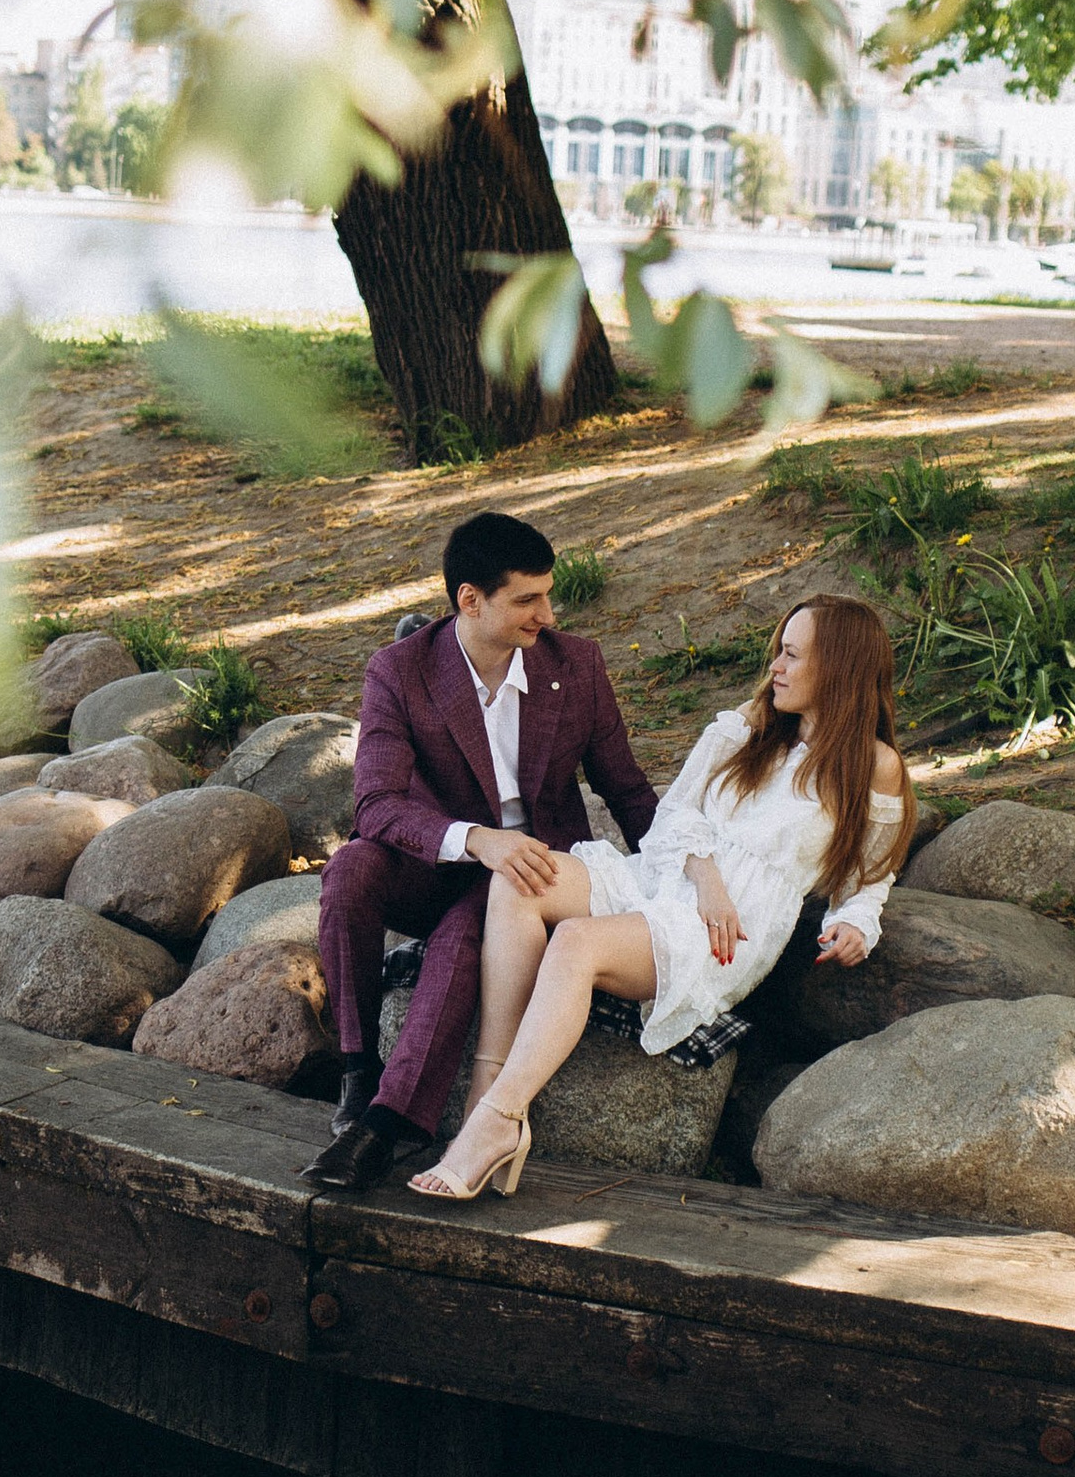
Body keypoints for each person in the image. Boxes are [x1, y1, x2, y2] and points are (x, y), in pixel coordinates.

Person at [409, 593, 915, 1202]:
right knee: (521, 877)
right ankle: (485, 1097)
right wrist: (705, 878)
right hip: (671, 878)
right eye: (778, 651)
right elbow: (673, 813)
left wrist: (855, 922)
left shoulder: (875, 766)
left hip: (730, 932)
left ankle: (498, 1122)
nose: (774, 667)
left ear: (839, 669)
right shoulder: (746, 728)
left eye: (791, 655)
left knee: (575, 942)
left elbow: (869, 874)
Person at [305, 509, 661, 1190]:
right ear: (470, 600)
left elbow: (627, 788)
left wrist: (675, 884)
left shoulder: (575, 665)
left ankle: (388, 1128)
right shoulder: (399, 672)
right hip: (440, 861)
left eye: (547, 595)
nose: (547, 614)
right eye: (527, 599)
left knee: (474, 925)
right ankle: (357, 1068)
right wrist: (475, 839)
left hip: (531, 875)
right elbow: (375, 806)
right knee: (350, 869)